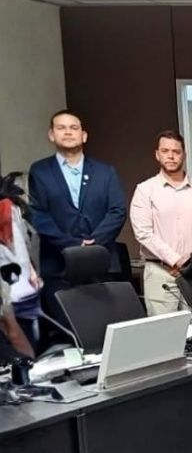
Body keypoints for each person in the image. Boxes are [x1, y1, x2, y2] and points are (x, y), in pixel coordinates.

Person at [28, 109, 127, 314]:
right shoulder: (40, 171)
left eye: (74, 128)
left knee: (105, 324)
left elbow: (117, 211)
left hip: (101, 264)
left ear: (84, 135)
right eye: (61, 128)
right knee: (67, 327)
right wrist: (74, 244)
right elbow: (38, 216)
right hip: (59, 265)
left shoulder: (105, 171)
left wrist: (93, 243)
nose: (68, 132)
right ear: (51, 135)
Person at [129, 130, 192, 316]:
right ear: (157, 154)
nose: (171, 156)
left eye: (176, 151)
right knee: (163, 330)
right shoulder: (145, 190)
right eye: (165, 151)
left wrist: (191, 262)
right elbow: (143, 233)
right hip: (159, 272)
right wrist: (176, 260)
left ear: (184, 155)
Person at [0, 169, 44, 352]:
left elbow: (20, 249)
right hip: (20, 292)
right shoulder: (9, 207)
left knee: (22, 347)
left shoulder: (8, 209)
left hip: (16, 295)